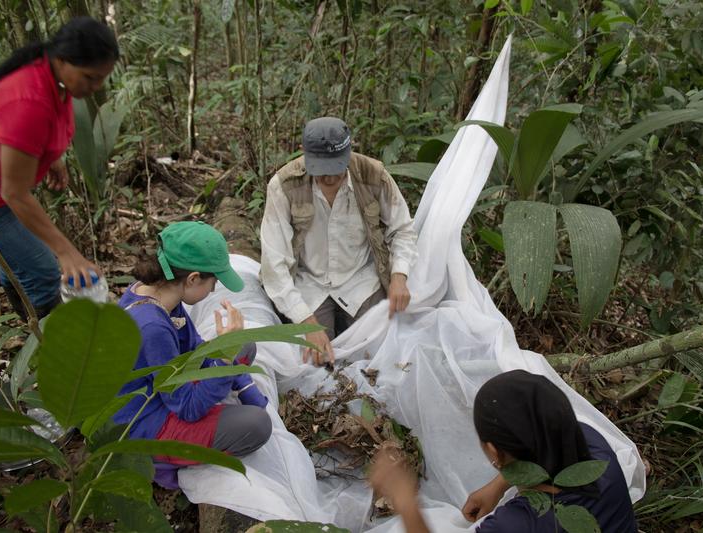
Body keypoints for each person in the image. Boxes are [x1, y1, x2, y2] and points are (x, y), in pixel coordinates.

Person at [0, 17, 118, 319]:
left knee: (26, 260)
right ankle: (44, 347)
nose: (96, 87)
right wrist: (67, 252)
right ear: (63, 60)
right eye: (90, 77)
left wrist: (52, 159)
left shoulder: (54, 77)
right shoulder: (28, 101)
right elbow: (14, 193)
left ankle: (22, 291)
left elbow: (39, 130)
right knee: (45, 271)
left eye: (102, 78)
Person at [369, 370, 638, 533]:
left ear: (493, 451)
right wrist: (498, 484)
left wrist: (405, 501)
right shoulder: (596, 449)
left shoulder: (517, 525)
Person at [113, 222, 271, 482]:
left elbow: (194, 347)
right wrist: (222, 360)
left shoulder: (160, 293)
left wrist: (248, 391)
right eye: (214, 282)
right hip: (148, 423)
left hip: (168, 389)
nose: (212, 290)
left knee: (244, 345)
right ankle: (163, 461)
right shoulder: (152, 326)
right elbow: (186, 407)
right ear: (193, 278)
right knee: (257, 426)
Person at [260, 117, 418, 365]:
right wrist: (305, 320)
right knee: (317, 362)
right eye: (320, 169)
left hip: (361, 280)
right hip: (309, 283)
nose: (329, 178)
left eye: (336, 167)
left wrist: (399, 276)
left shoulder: (373, 176)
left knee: (374, 355)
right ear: (303, 153)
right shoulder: (284, 185)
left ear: (349, 150)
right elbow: (274, 263)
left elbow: (403, 230)